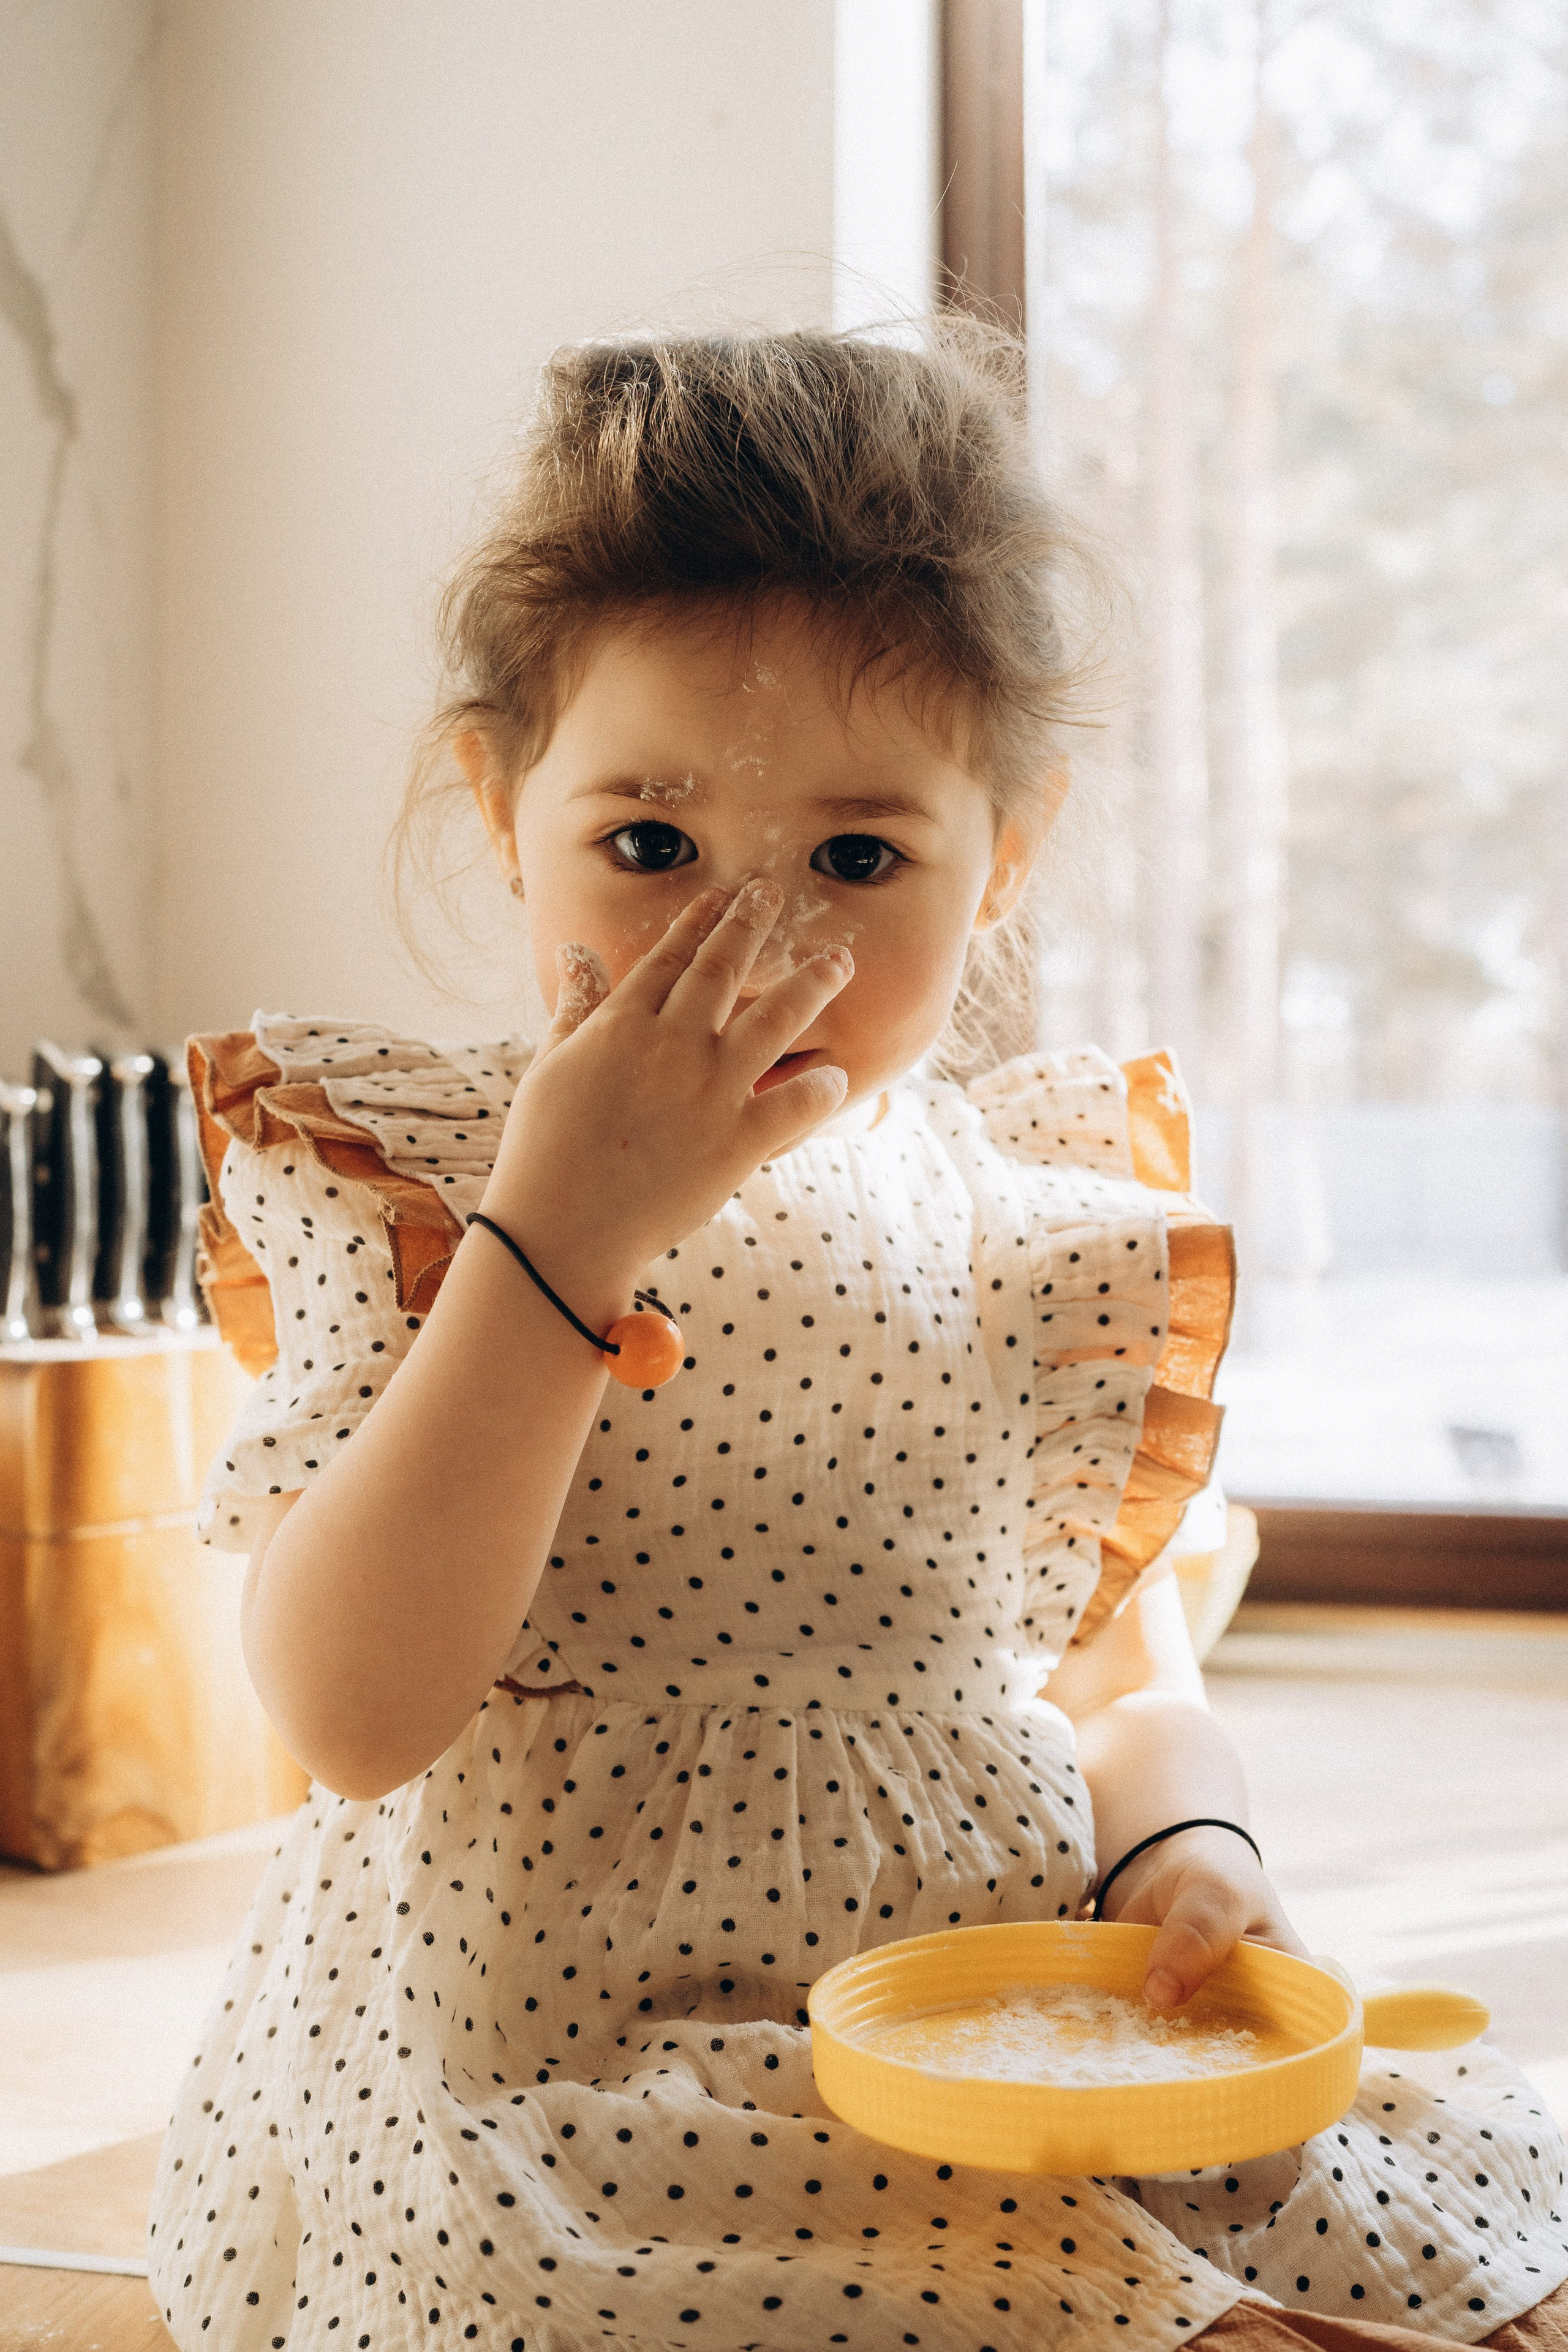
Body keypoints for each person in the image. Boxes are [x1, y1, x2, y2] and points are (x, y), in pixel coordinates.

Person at [149, 329, 1566, 2352]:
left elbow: (1119, 1672)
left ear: (1013, 852)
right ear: (501, 808)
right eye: (650, 848)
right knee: (557, 2290)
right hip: (561, 2072)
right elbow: (350, 1715)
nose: (762, 945)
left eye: (859, 858)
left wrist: (1193, 1851)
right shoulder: (423, 1189)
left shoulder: (1030, 1233)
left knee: (1427, 2251)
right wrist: (565, 1230)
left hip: (969, 2024)